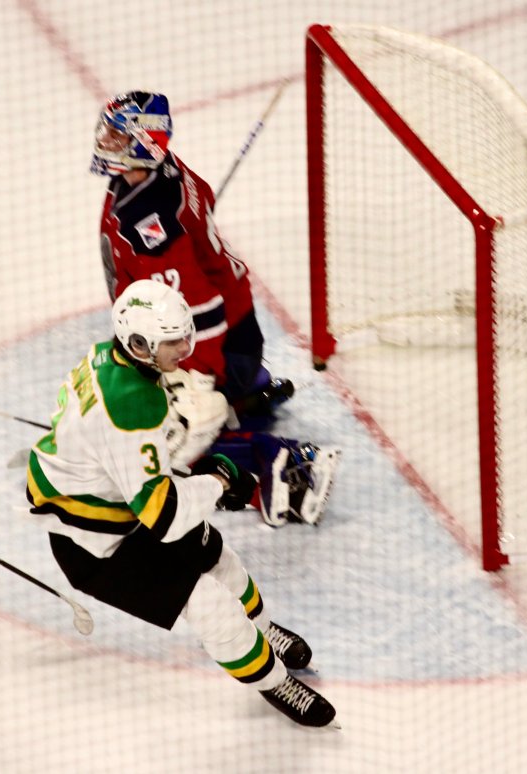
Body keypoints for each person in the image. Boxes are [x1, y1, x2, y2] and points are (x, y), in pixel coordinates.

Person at [25, 279, 336, 728]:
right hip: (95, 543)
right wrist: (215, 480)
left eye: (183, 335)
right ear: (138, 342)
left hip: (118, 502)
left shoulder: (105, 355)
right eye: (172, 342)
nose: (184, 349)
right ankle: (274, 681)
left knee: (219, 558)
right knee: (209, 602)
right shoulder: (130, 408)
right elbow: (164, 517)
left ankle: (263, 631)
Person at [91, 90, 340, 527]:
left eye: (117, 135)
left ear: (146, 143)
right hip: (236, 329)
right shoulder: (153, 179)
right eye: (107, 132)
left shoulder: (155, 224)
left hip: (219, 341)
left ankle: (286, 466)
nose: (105, 141)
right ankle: (247, 395)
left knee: (170, 445)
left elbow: (199, 308)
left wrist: (197, 377)